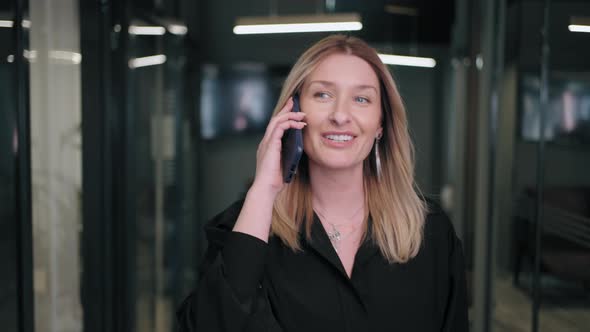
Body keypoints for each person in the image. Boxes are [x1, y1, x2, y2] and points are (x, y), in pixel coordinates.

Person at [177, 34, 468, 332]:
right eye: (323, 95)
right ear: (293, 112)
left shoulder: (431, 232)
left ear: (381, 124)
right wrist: (264, 189)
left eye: (361, 99)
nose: (340, 115)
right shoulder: (247, 229)